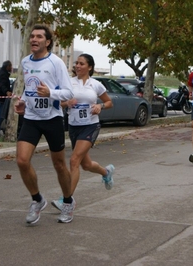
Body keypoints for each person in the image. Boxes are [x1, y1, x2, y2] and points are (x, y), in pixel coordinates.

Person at [14, 24, 74, 224]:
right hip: (31, 118)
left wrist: (50, 93)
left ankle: (67, 202)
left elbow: (68, 93)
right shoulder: (25, 61)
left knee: (58, 164)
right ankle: (37, 200)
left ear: (47, 42)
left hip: (52, 118)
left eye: (39, 36)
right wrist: (22, 101)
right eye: (32, 36)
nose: (34, 39)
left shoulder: (56, 63)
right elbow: (29, 88)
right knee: (22, 160)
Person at [51, 54, 114, 211]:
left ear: (89, 67)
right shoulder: (69, 83)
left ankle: (66, 200)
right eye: (76, 63)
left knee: (74, 161)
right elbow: (59, 104)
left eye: (81, 63)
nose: (77, 66)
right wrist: (67, 103)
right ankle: (106, 172)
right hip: (74, 126)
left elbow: (109, 102)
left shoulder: (96, 84)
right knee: (85, 164)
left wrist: (100, 106)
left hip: (90, 126)